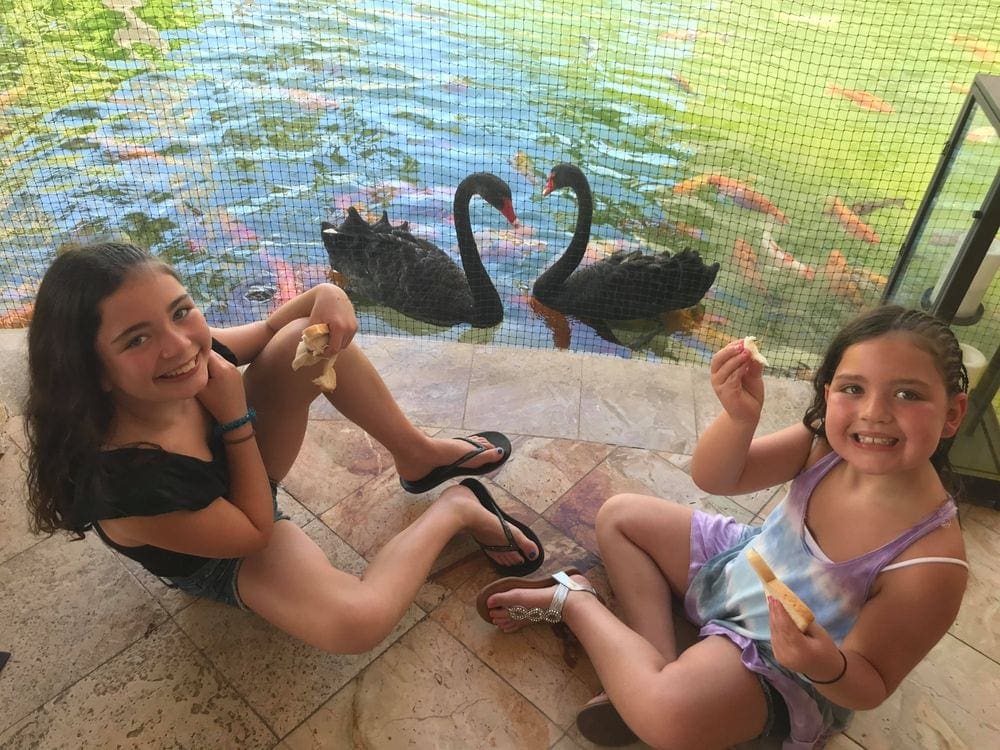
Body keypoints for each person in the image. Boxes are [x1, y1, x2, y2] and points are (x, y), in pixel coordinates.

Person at [476, 305, 969, 749]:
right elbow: (716, 478)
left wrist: (825, 665)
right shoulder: (825, 446)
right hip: (741, 567)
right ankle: (655, 660)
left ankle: (574, 602)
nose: (874, 413)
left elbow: (871, 683)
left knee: (670, 718)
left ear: (952, 413)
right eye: (853, 388)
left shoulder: (930, 563)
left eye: (908, 394)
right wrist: (739, 419)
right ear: (828, 392)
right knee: (621, 515)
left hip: (783, 660)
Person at [24, 241, 543, 654]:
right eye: (136, 339)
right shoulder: (124, 484)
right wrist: (234, 418)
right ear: (93, 371)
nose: (179, 345)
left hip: (242, 474)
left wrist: (327, 294)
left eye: (181, 311)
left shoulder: (185, 358)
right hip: (228, 548)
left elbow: (277, 326)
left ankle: (418, 454)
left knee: (308, 339)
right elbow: (253, 532)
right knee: (354, 624)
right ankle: (458, 508)